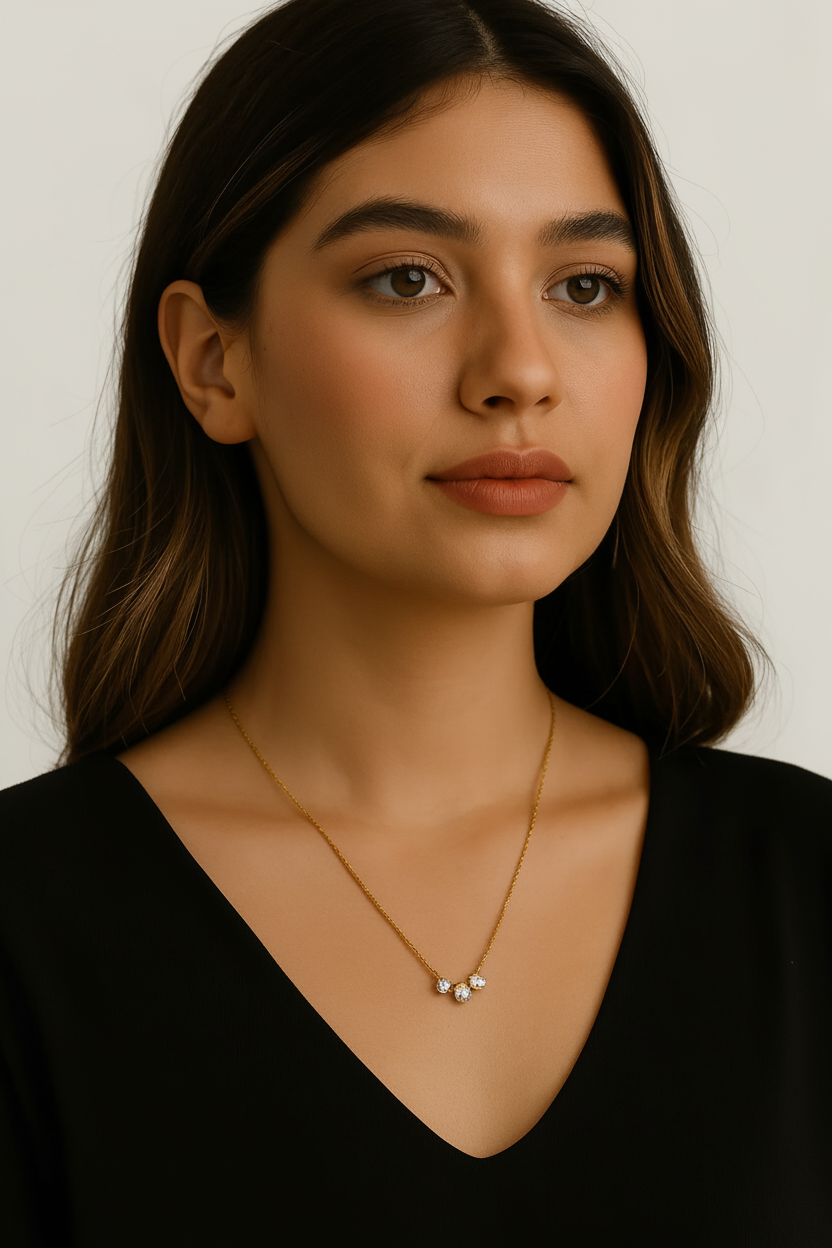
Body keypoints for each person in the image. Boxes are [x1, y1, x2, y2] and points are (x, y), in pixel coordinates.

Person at [1, 0, 830, 1241]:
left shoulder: (805, 883)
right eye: (408, 278)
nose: (520, 368)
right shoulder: (26, 922)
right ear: (211, 363)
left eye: (584, 285)